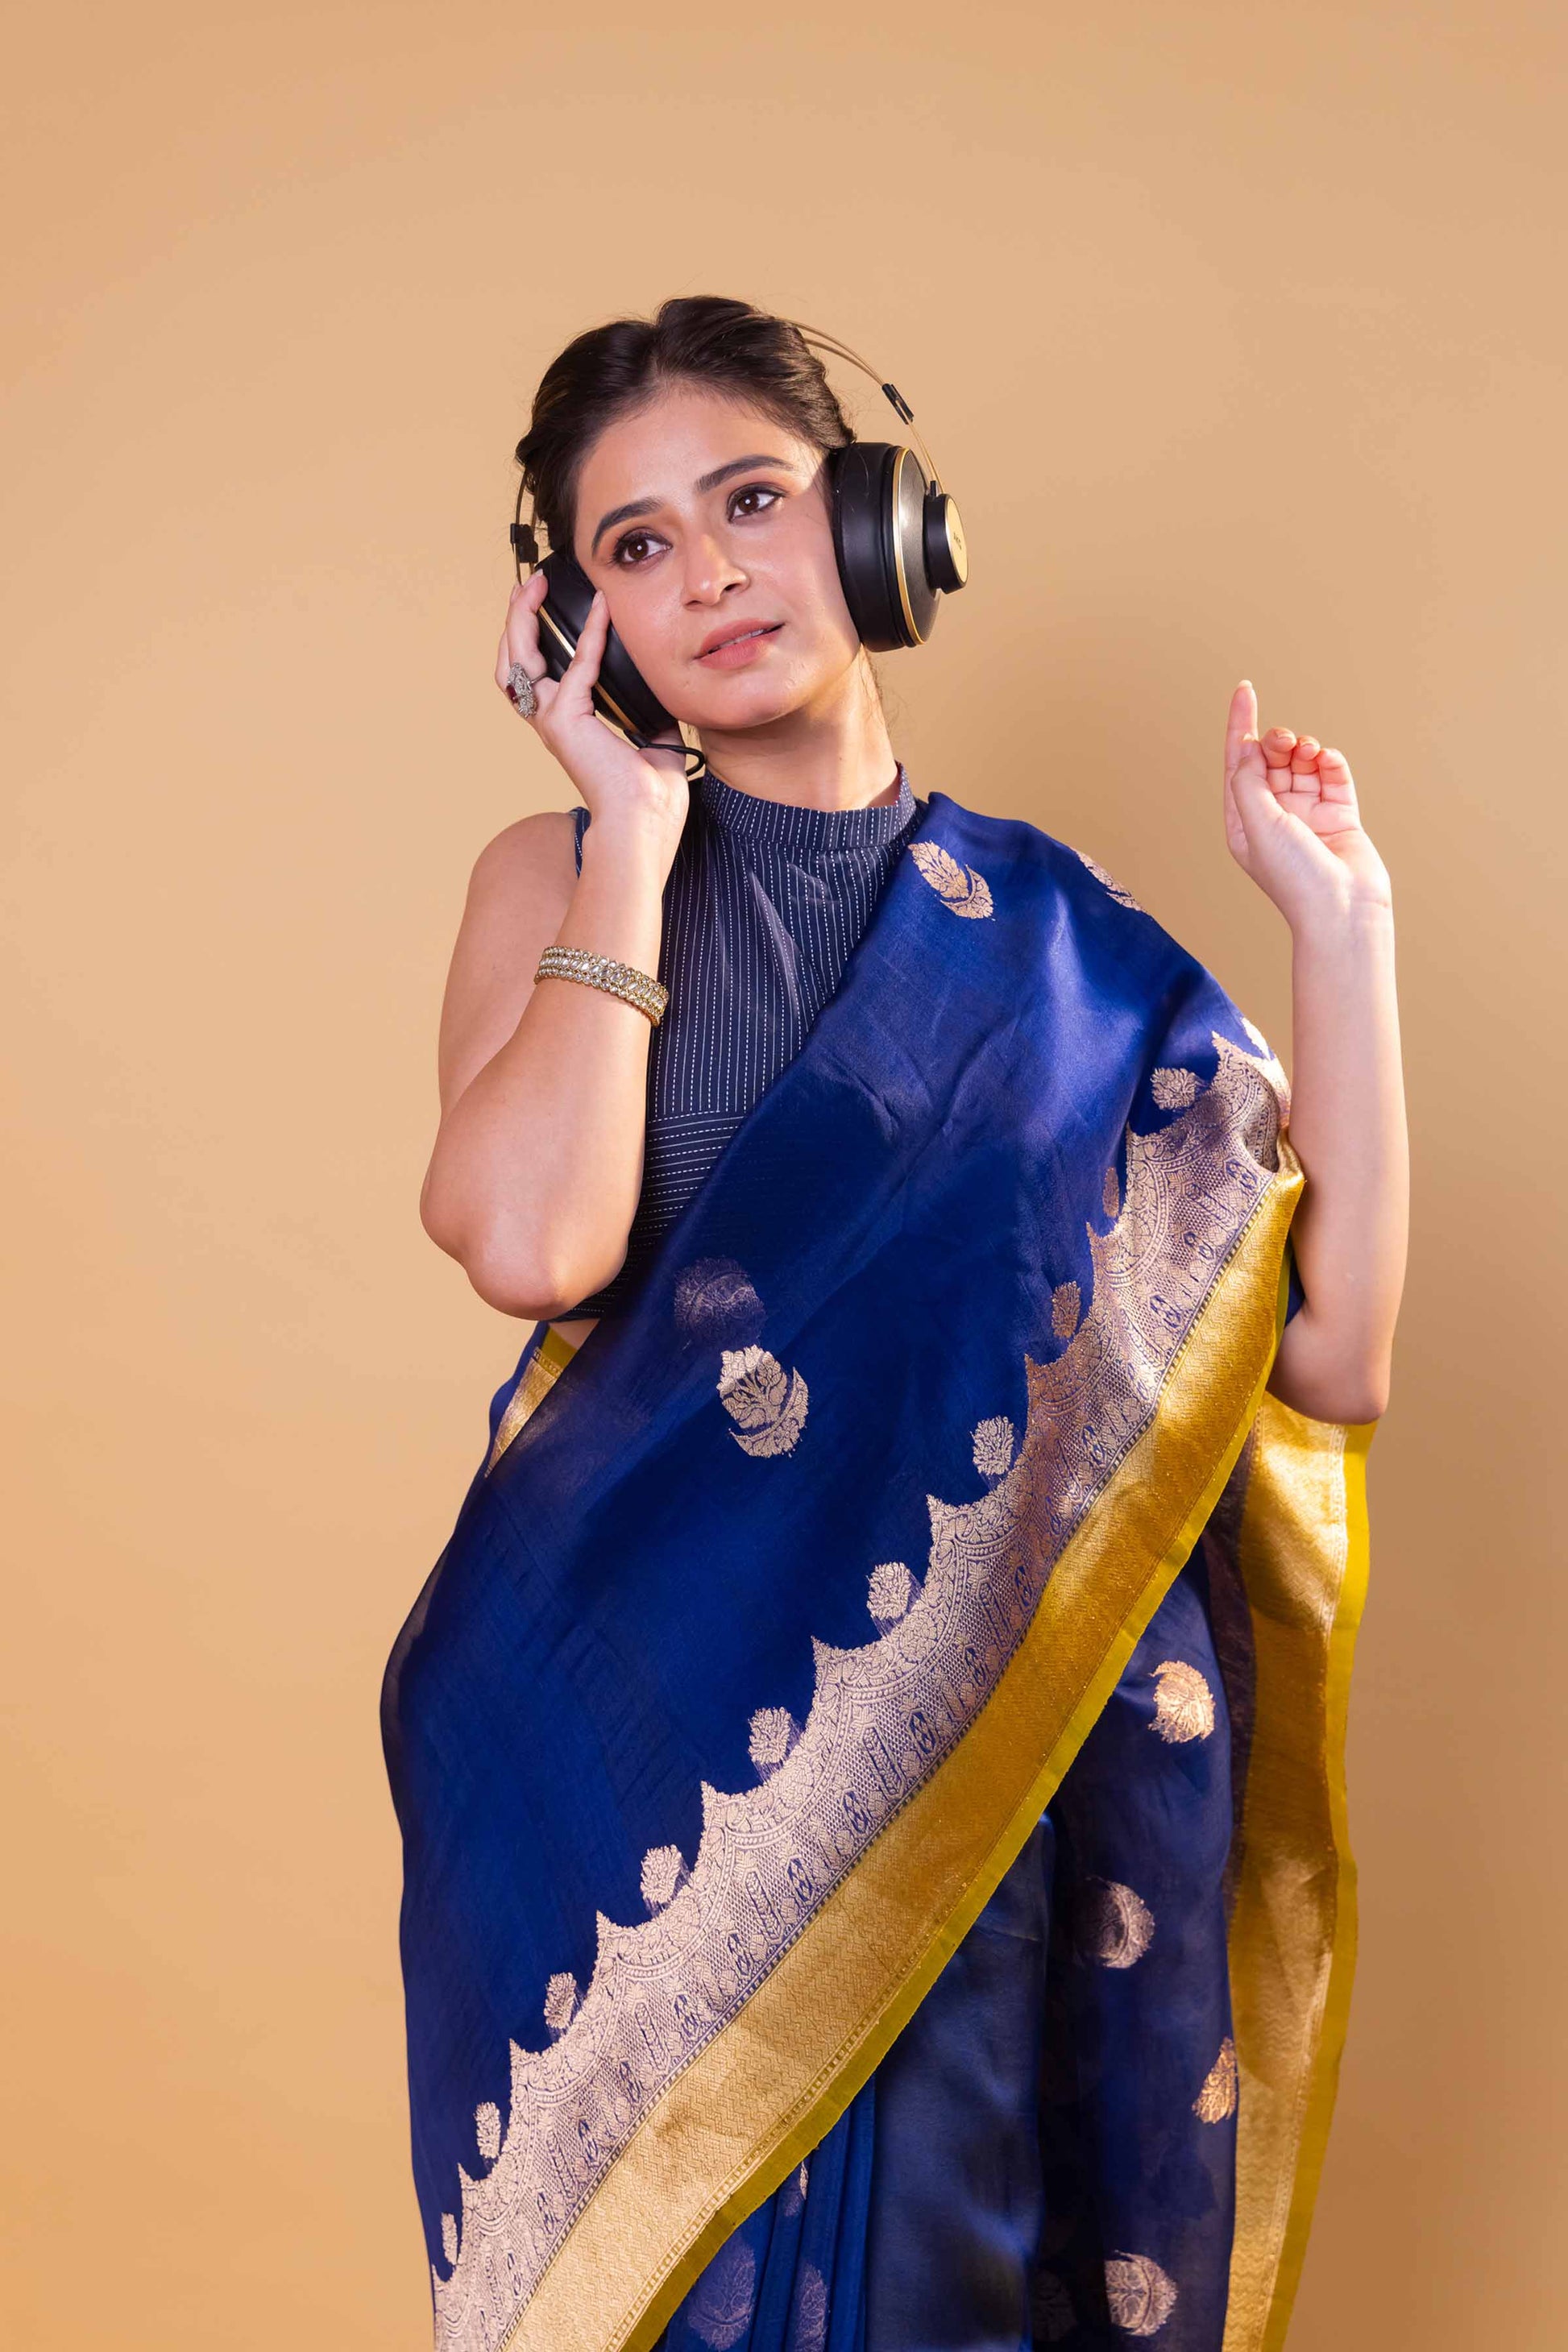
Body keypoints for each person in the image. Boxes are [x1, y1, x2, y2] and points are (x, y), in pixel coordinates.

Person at [383, 297, 1407, 2352]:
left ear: (874, 521)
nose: (709, 573)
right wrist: (632, 835)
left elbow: (1329, 1362)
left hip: (973, 1762)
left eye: (752, 502)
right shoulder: (556, 879)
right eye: (635, 547)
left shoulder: (1069, 956)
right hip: (630, 1781)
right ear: (576, 620)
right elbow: (529, 1241)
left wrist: (1342, 928)